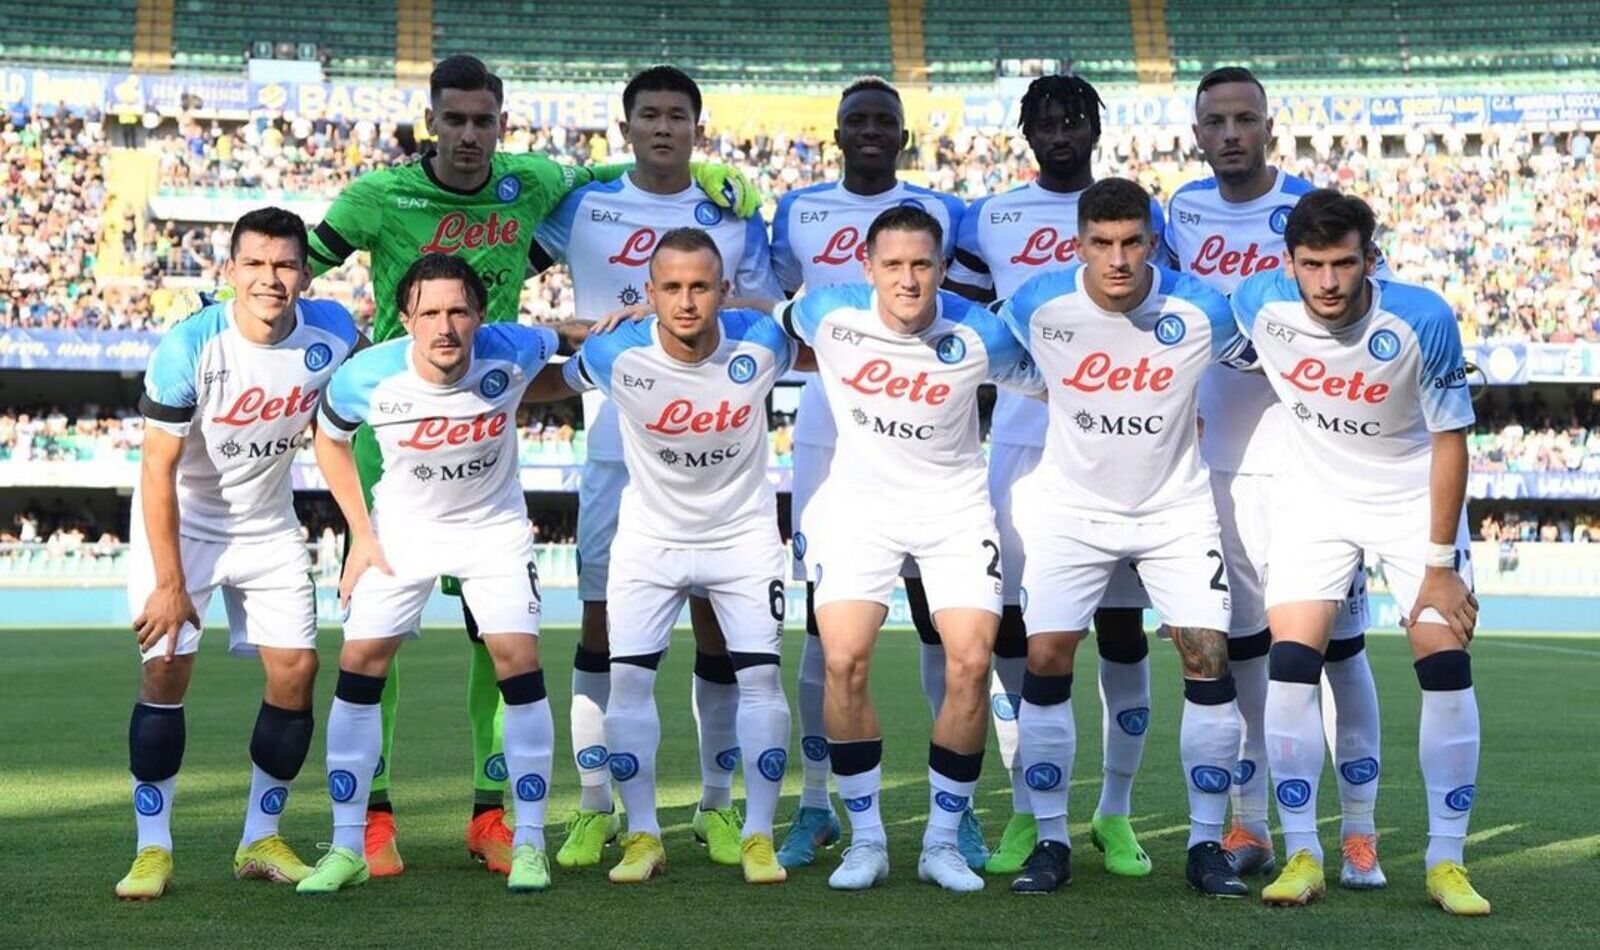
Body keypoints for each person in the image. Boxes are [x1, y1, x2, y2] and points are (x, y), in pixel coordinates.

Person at [303, 54, 758, 876]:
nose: (470, 135)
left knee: (498, 640)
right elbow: (301, 260)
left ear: (500, 124)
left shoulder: (533, 183)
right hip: (393, 435)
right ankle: (369, 820)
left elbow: (626, 168)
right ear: (432, 122)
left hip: (490, 416)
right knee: (373, 646)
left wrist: (719, 179)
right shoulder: (378, 196)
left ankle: (494, 815)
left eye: (484, 120)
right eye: (456, 120)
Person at [531, 65, 781, 869]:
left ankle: (715, 804)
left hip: (711, 453)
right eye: (650, 115)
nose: (664, 127)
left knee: (719, 624)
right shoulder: (583, 205)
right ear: (627, 125)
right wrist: (570, 328)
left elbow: (764, 312)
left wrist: (666, 315)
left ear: (697, 127)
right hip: (613, 440)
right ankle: (599, 804)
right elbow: (506, 269)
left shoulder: (733, 210)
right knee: (602, 628)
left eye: (678, 115)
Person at [1233, 191, 1488, 915]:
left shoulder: (1422, 318)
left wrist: (1439, 566)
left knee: (1444, 669)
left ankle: (1446, 860)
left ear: (1371, 259)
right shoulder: (1258, 301)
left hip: (1413, 506)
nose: (1328, 282)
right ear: (1290, 264)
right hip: (1314, 501)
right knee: (1290, 669)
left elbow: (1450, 440)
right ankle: (1303, 852)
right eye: (1312, 265)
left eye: (1344, 263)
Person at [997, 178, 1252, 898]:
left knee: (1206, 659)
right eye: (1102, 244)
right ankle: (1050, 839)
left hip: (1175, 511)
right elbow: (979, 347)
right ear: (1078, 243)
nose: (1118, 259)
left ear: (1153, 241)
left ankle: (1206, 845)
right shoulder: (1036, 304)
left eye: (1132, 242)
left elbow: (1263, 359)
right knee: (1045, 658)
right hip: (1070, 512)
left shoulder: (1200, 308)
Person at [775, 205, 1039, 893]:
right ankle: (865, 841)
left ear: (943, 268)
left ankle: (943, 841)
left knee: (971, 663)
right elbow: (753, 322)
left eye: (922, 264)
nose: (909, 279)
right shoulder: (828, 312)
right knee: (841, 662)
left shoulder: (982, 333)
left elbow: (1056, 379)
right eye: (893, 265)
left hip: (954, 509)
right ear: (867, 268)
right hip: (858, 508)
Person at [1164, 65, 1384, 887]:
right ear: (1196, 133)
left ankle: (1358, 833)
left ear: (1268, 127)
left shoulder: (1315, 215)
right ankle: (1252, 824)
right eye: (1215, 120)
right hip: (1219, 464)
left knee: (1340, 653)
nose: (1230, 133)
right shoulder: (1178, 212)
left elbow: (1367, 312)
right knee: (1247, 654)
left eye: (1244, 118)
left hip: (1312, 462)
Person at [946, 73, 1165, 877]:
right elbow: (961, 335)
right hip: (1021, 443)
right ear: (1027, 133)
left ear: (1096, 128)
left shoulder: (1141, 216)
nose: (1061, 131)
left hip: (1119, 449)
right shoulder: (990, 218)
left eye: (1075, 118)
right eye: (1046, 120)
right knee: (1015, 630)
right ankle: (1030, 811)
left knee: (1117, 632)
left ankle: (1115, 812)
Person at [117, 208, 361, 899]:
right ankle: (153, 849)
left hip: (266, 523)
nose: (270, 278)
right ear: (228, 272)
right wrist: (169, 583)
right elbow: (156, 471)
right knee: (165, 672)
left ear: (305, 273)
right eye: (254, 264)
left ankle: (260, 836)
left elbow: (357, 405)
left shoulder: (334, 332)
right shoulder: (189, 346)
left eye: (284, 264)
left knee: (297, 670)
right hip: (183, 522)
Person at [765, 75, 977, 870]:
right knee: (831, 638)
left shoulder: (942, 212)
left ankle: (951, 817)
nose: (871, 131)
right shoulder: (800, 211)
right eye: (857, 120)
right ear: (838, 132)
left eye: (885, 120)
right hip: (831, 427)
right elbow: (783, 303)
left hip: (927, 430)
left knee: (942, 627)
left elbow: (971, 308)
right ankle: (818, 807)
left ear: (904, 134)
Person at [299, 254, 562, 895]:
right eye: (431, 312)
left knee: (517, 662)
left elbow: (569, 341)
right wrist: (361, 534)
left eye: (458, 311)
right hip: (401, 532)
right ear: (406, 319)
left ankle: (528, 843)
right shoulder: (366, 376)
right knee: (359, 664)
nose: (445, 326)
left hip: (492, 530)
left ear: (479, 316)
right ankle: (346, 844)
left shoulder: (514, 347)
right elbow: (329, 440)